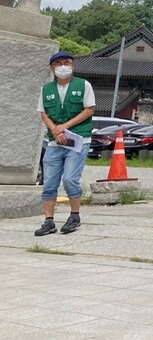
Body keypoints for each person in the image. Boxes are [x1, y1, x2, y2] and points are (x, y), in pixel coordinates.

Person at [35, 52, 96, 236]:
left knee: (70, 178)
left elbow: (89, 109)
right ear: (51, 67)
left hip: (78, 139)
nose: (63, 66)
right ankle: (48, 221)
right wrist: (55, 129)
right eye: (58, 63)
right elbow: (43, 113)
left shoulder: (83, 85)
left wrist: (65, 127)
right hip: (54, 141)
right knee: (49, 182)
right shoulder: (46, 89)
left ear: (73, 65)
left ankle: (75, 215)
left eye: (67, 63)